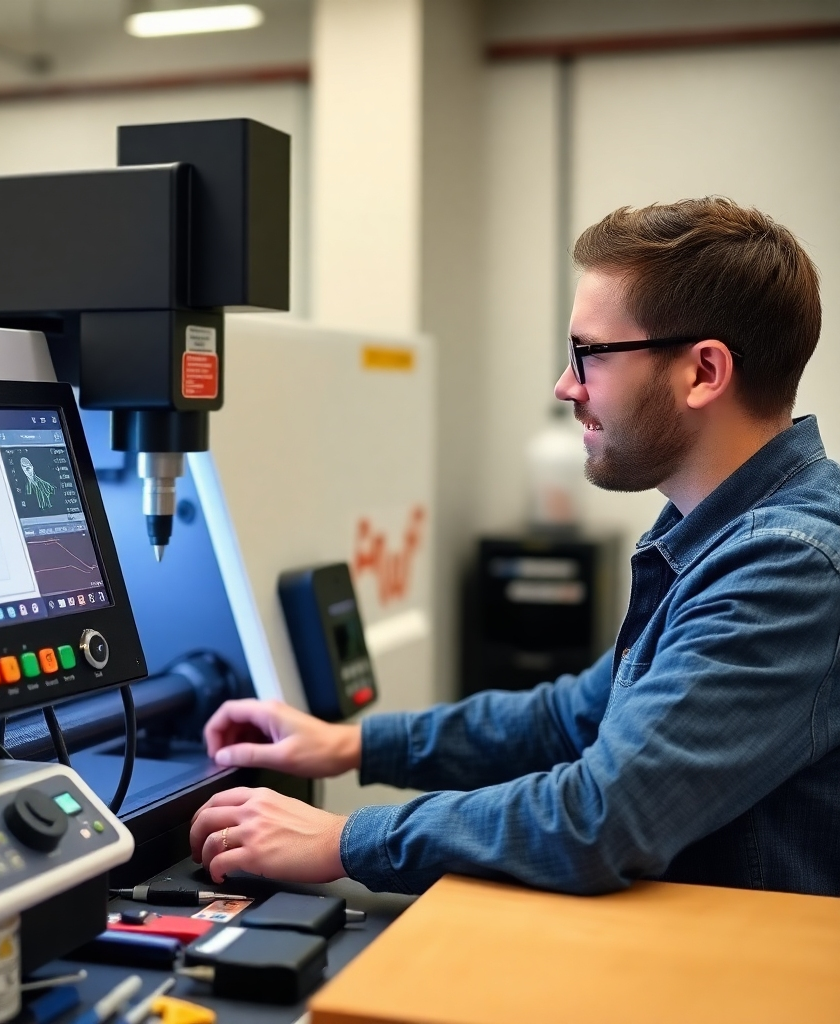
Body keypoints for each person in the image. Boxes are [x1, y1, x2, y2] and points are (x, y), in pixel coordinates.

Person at [189, 197, 840, 897]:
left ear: (704, 373)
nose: (566, 386)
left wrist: (343, 839)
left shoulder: (788, 561)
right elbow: (572, 717)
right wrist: (349, 744)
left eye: (589, 354)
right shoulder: (712, 533)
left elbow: (601, 818)